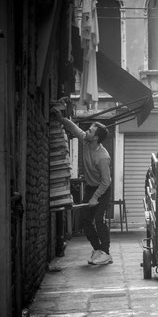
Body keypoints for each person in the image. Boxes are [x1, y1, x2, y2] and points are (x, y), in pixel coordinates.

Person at [50, 105, 113, 265]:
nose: (87, 132)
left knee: (98, 219)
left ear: (96, 138)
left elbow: (106, 181)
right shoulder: (86, 141)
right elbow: (74, 128)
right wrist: (60, 119)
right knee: (85, 219)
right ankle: (97, 249)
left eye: (90, 131)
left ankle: (106, 253)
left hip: (102, 189)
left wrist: (96, 198)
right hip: (92, 187)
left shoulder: (102, 157)